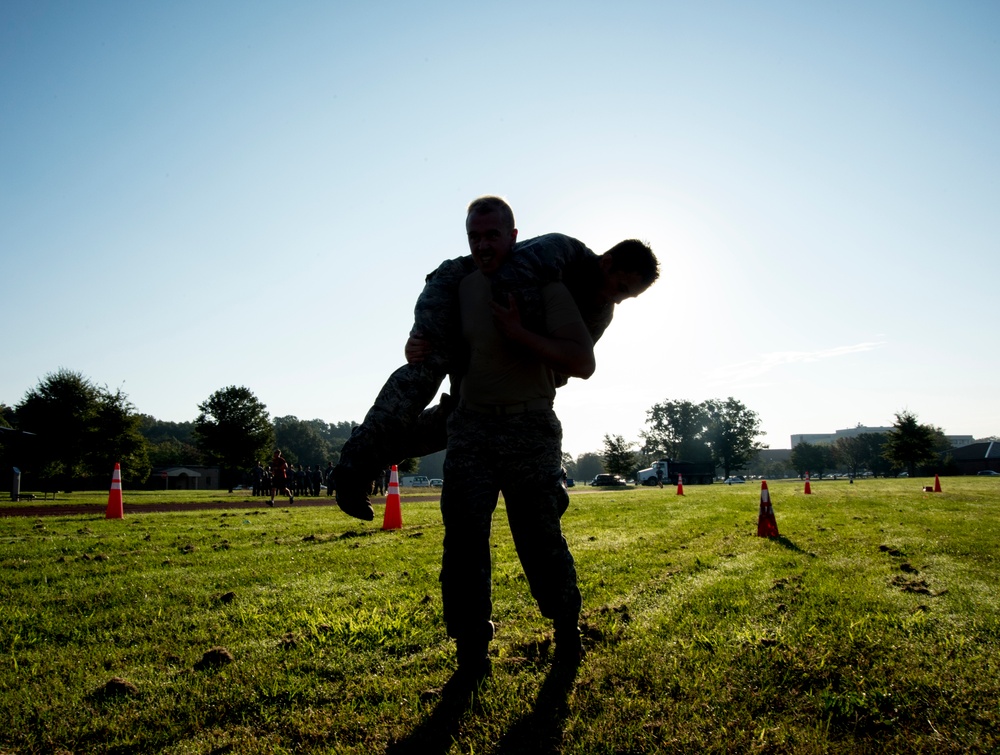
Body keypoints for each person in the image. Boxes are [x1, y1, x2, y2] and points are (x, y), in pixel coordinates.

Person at [334, 208, 659, 521]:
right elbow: (508, 285)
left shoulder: (601, 311)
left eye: (628, 297)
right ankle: (354, 466)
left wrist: (517, 356)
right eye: (620, 288)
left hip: (494, 348)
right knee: (425, 369)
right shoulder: (561, 250)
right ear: (606, 262)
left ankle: (364, 465)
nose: (618, 299)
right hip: (455, 290)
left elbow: (564, 368)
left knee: (457, 421)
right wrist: (490, 344)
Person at [441, 195, 599, 685]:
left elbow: (582, 362)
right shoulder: (460, 287)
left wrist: (520, 332)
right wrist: (418, 344)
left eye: (492, 235)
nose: (483, 244)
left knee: (538, 539)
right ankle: (471, 655)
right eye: (474, 236)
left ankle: (567, 633)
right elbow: (441, 342)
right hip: (471, 430)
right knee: (463, 543)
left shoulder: (546, 289)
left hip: (529, 430)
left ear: (513, 236)